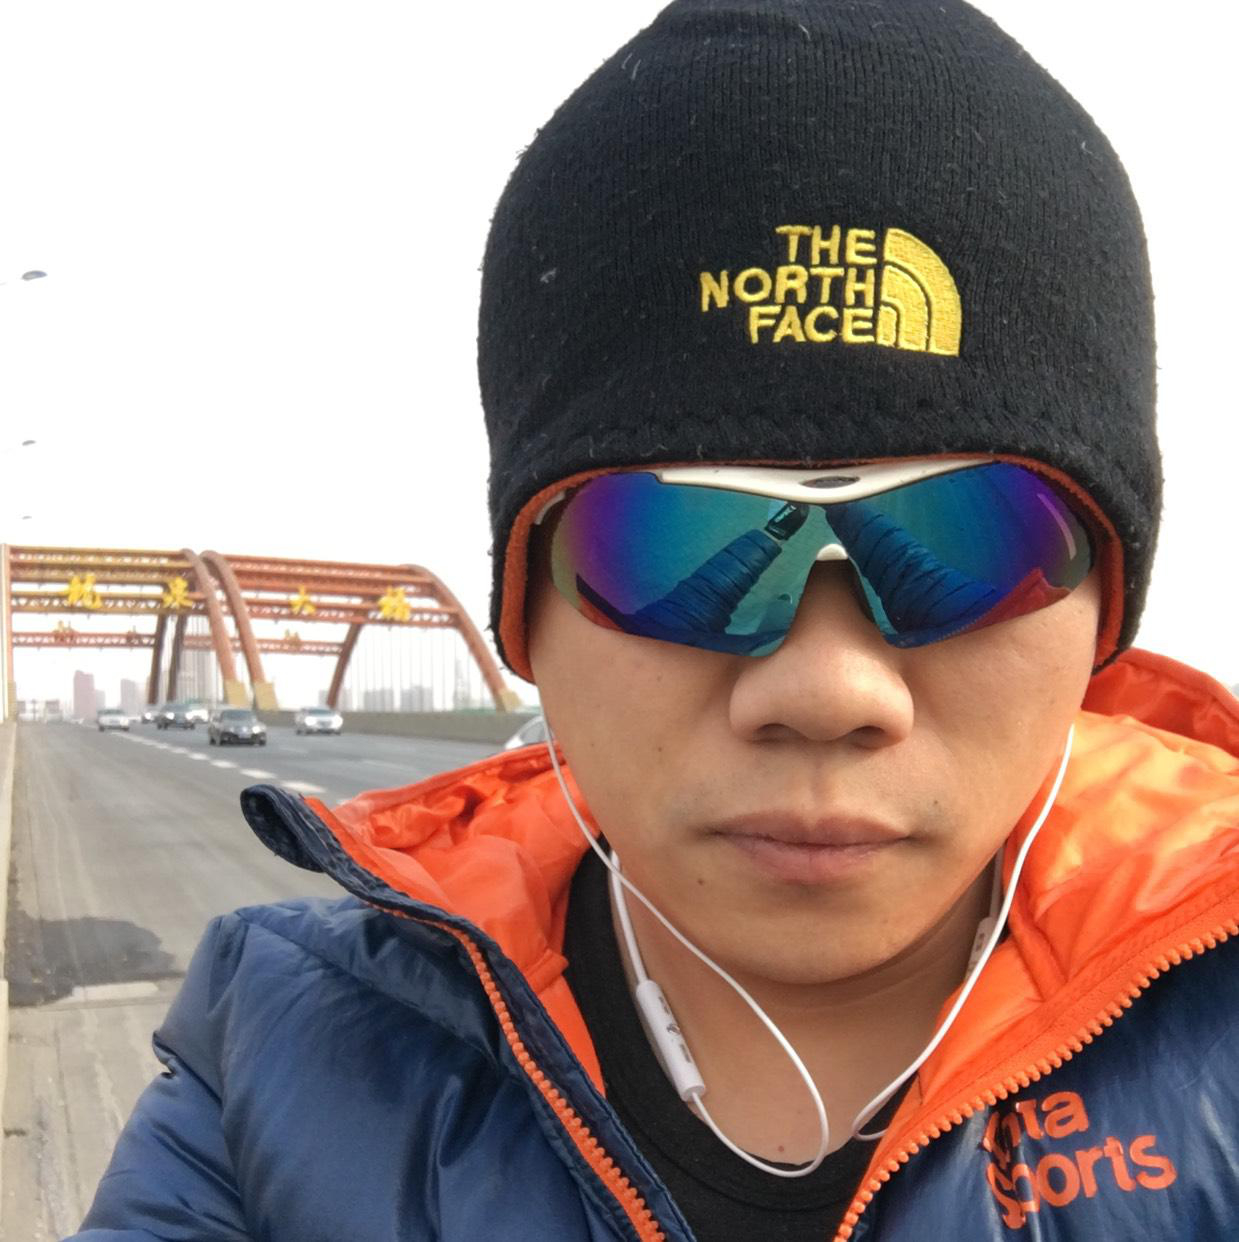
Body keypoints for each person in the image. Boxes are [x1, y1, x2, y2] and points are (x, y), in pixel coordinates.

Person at [74, 1, 1239, 1239]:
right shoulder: (274, 1064)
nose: (826, 690)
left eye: (971, 544)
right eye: (682, 547)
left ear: (1105, 610)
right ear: (524, 612)